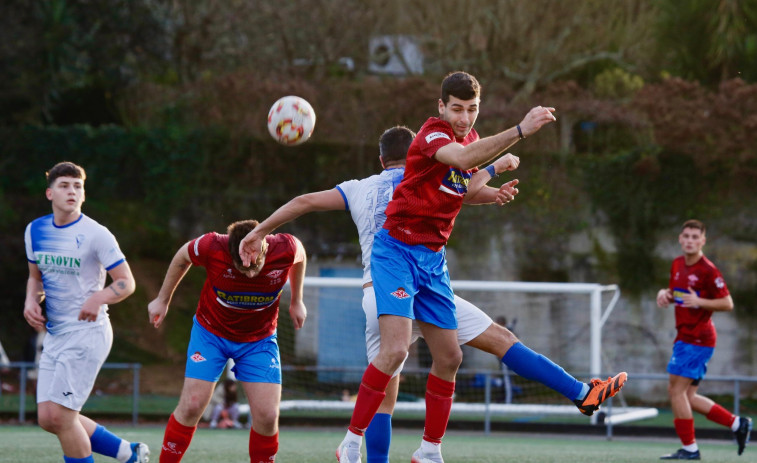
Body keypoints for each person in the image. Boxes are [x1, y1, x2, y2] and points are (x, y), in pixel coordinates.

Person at [240, 123, 626, 463]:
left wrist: (262, 230)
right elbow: (465, 190)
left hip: (383, 291)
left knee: (389, 393)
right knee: (500, 341)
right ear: (418, 153)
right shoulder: (429, 176)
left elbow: (305, 202)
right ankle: (576, 390)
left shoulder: (359, 188)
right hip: (404, 279)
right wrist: (494, 179)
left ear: (380, 158)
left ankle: (577, 394)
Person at [147, 219, 306, 463]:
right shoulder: (212, 245)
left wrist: (297, 300)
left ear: (263, 247)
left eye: (254, 265)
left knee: (267, 415)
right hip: (211, 335)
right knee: (192, 405)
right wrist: (162, 299)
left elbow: (301, 256)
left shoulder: (285, 246)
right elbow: (182, 256)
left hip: (259, 340)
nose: (249, 272)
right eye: (241, 267)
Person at [23, 161, 148, 463]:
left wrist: (99, 297)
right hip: (56, 334)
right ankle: (127, 453)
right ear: (49, 193)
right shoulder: (35, 230)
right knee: (47, 418)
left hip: (88, 333)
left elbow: (126, 282)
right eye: (65, 186)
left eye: (78, 186)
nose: (72, 191)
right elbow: (35, 276)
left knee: (63, 417)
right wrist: (30, 300)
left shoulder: (96, 234)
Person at [656, 219, 752, 460]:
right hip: (684, 337)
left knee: (676, 392)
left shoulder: (708, 270)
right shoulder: (677, 264)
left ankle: (690, 449)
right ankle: (736, 423)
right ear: (680, 239)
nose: (689, 240)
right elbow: (677, 295)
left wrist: (700, 302)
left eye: (694, 237)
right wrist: (665, 294)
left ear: (702, 241)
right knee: (687, 397)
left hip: (698, 339)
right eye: (685, 236)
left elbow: (727, 303)